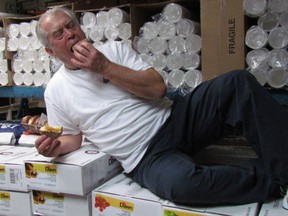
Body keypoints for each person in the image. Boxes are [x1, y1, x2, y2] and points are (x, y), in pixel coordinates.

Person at [35, 6, 288, 207]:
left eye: (71, 26)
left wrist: (104, 67)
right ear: (50, 51)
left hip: (176, 117)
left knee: (237, 83)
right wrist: (54, 148)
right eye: (59, 34)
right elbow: (72, 138)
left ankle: (286, 168)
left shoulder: (113, 50)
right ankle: (273, 182)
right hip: (145, 157)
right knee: (182, 185)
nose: (70, 34)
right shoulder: (56, 91)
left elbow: (157, 88)